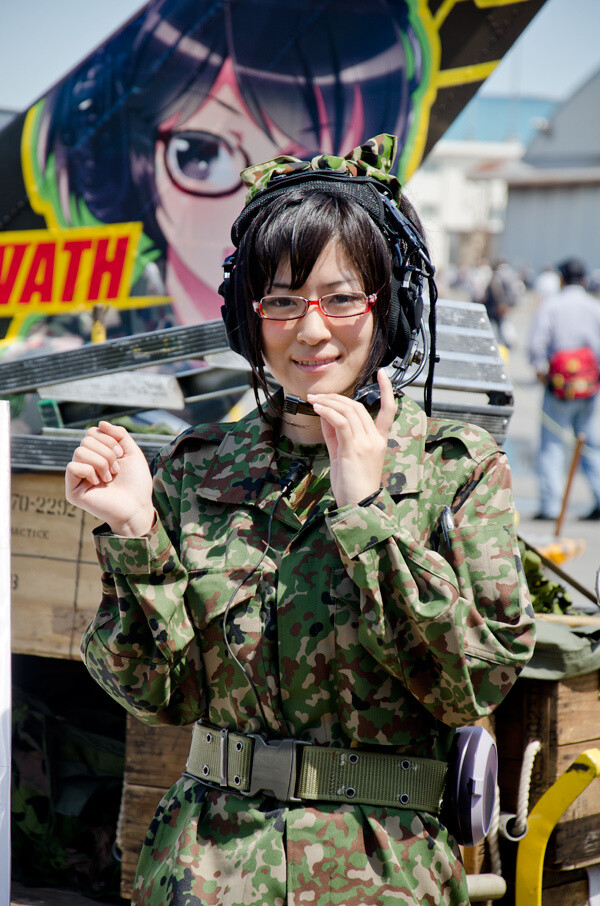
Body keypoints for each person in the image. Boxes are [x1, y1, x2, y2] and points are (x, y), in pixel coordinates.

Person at [66, 135, 535, 905]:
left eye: (342, 297)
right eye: (281, 301)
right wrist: (136, 535)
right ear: (250, 318)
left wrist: (367, 511)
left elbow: (473, 680)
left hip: (380, 875)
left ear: (389, 302)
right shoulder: (197, 470)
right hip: (206, 870)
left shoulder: (455, 467)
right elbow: (158, 696)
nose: (312, 331)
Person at [528, 257, 600, 521]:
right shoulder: (595, 307)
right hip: (590, 387)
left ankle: (551, 507)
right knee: (592, 445)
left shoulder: (552, 305)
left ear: (561, 278)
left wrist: (540, 372)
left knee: (553, 446)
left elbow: (537, 344)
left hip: (559, 387)